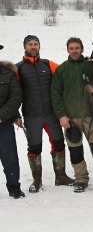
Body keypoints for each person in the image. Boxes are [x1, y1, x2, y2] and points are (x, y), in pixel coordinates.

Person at [51, 37, 93, 195]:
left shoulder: (90, 66)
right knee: (75, 151)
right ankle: (81, 179)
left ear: (82, 49)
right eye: (71, 48)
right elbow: (55, 94)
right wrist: (62, 116)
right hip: (70, 119)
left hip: (91, 115)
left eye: (77, 48)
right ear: (68, 50)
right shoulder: (61, 70)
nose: (74, 51)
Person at [16, 35, 75, 193]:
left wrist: (81, 63)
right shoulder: (18, 68)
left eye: (36, 44)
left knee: (58, 143)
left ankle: (61, 176)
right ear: (25, 47)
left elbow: (65, 72)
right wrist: (16, 114)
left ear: (39, 47)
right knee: (34, 147)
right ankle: (37, 180)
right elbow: (12, 92)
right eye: (30, 44)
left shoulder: (48, 64)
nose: (33, 47)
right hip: (31, 115)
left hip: (51, 114)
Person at [0, 44, 25, 199]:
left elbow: (16, 97)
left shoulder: (8, 73)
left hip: (4, 125)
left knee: (10, 159)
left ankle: (14, 188)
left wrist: (1, 116)